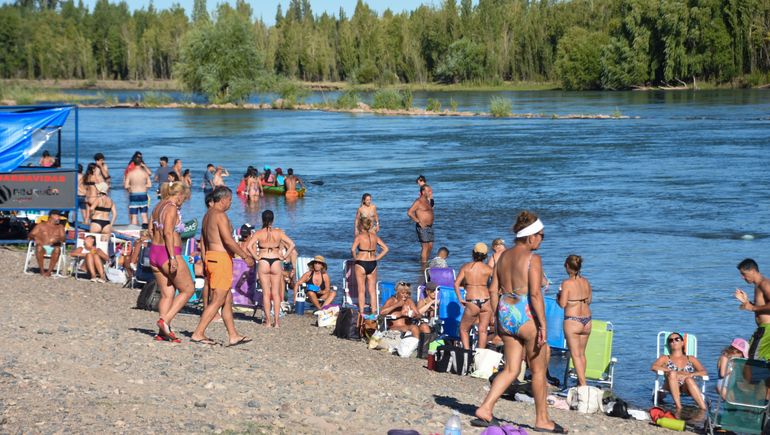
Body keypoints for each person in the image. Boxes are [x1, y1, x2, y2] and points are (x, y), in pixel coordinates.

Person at [474, 211, 565, 433]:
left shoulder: (502, 256)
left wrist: (497, 315)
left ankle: (485, 408)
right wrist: (543, 325)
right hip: (525, 312)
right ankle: (542, 419)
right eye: (541, 235)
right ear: (531, 236)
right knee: (539, 370)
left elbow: (493, 288)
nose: (542, 239)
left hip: (506, 310)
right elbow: (535, 294)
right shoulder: (533, 259)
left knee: (512, 368)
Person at [191, 186, 255, 345]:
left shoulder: (208, 215)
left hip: (212, 258)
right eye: (230, 200)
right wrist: (245, 256)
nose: (230, 204)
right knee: (219, 299)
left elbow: (204, 241)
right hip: (220, 259)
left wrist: (205, 260)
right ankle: (198, 333)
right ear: (224, 199)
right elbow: (228, 240)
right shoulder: (220, 215)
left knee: (227, 299)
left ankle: (233, 335)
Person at [147, 181, 195, 342]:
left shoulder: (158, 206)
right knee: (188, 289)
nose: (184, 201)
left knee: (167, 294)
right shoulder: (172, 208)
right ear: (179, 195)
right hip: (168, 253)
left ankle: (161, 332)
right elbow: (168, 232)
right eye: (185, 197)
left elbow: (150, 230)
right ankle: (165, 321)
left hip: (154, 252)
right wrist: (173, 257)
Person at [246, 209, 295, 328]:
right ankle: (277, 322)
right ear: (273, 219)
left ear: (262, 219)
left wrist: (256, 256)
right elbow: (292, 244)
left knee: (266, 293)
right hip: (276, 260)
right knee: (276, 293)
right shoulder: (278, 232)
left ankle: (268, 322)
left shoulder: (258, 233)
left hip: (263, 260)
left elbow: (249, 246)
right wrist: (284, 256)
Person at [557, 255, 593, 386]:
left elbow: (562, 304)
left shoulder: (566, 283)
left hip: (573, 320)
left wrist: (558, 295)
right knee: (582, 354)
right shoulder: (586, 282)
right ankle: (580, 383)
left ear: (567, 266)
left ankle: (583, 386)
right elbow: (589, 301)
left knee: (575, 355)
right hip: (587, 320)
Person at [651, 332, 709, 410]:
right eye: (671, 340)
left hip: (686, 387)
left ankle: (704, 409)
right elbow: (654, 367)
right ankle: (679, 407)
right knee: (672, 374)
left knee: (689, 379)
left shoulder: (691, 358)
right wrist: (671, 371)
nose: (674, 341)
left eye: (677, 339)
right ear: (669, 344)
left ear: (682, 343)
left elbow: (704, 372)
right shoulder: (665, 358)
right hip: (669, 385)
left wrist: (689, 375)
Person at [455, 243, 494, 350]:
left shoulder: (466, 267)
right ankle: (480, 355)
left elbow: (456, 284)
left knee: (464, 329)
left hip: (472, 300)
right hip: (486, 300)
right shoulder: (488, 268)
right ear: (486, 255)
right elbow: (497, 285)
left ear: (473, 253)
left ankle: (467, 353)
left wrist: (460, 298)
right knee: (483, 330)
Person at [351, 216, 389, 314]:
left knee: (361, 290)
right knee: (372, 290)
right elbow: (386, 249)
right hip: (373, 262)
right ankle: (374, 312)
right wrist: (378, 257)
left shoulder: (359, 237)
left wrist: (355, 258)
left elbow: (352, 249)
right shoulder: (374, 236)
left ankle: (362, 312)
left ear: (360, 226)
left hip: (361, 262)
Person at [735, 259, 770, 361]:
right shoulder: (758, 285)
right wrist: (746, 302)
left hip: (767, 329)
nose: (742, 277)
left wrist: (752, 307)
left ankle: (749, 377)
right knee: (765, 359)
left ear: (752, 271)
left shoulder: (765, 284)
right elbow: (763, 306)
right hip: (764, 328)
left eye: (743, 274)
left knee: (751, 356)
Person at [27, 210, 65, 277]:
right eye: (58, 216)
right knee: (38, 247)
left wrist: (57, 240)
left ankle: (49, 272)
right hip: (42, 247)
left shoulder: (60, 227)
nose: (59, 218)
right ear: (52, 216)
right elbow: (31, 234)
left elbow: (63, 238)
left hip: (54, 247)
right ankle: (42, 271)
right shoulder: (41, 225)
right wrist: (36, 238)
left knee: (57, 249)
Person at [407, 184, 434, 265]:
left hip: (430, 227)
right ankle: (423, 266)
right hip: (422, 227)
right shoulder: (418, 201)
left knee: (430, 246)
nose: (429, 192)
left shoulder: (427, 201)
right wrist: (418, 221)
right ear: (423, 192)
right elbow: (409, 212)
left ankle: (425, 261)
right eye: (428, 191)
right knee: (425, 247)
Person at [124, 154, 152, 227]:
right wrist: (144, 186)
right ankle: (145, 230)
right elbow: (149, 185)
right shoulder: (144, 173)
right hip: (143, 194)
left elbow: (126, 185)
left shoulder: (130, 173)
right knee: (144, 215)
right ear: (141, 163)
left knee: (134, 216)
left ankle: (134, 230)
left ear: (133, 163)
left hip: (133, 194)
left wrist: (131, 188)